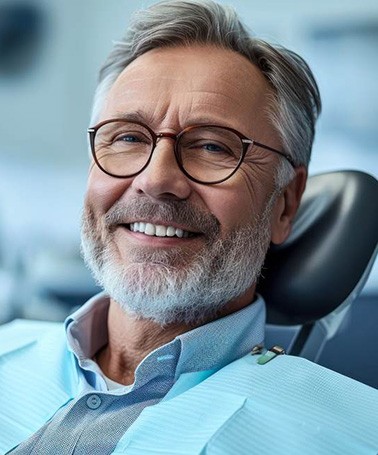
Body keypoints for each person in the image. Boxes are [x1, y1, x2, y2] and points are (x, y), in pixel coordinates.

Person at [1, 1, 377, 453]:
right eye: (127, 138)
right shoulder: (8, 351)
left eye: (212, 147)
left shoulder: (352, 434)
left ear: (285, 204)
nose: (156, 180)